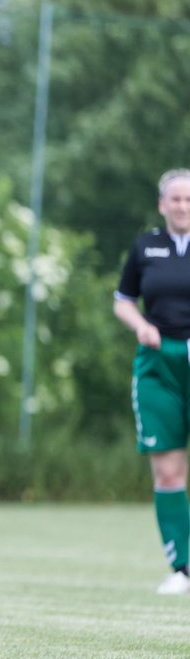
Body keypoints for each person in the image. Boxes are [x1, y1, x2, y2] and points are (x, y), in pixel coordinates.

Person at [115, 167, 190, 595]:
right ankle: (183, 568)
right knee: (167, 471)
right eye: (175, 199)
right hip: (158, 364)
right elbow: (123, 300)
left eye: (189, 200)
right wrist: (140, 325)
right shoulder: (146, 246)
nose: (182, 207)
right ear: (162, 205)